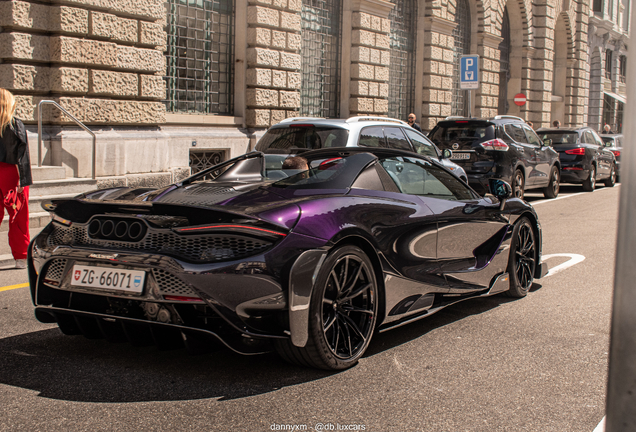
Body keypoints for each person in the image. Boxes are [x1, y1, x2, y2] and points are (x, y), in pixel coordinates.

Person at [0, 88, 32, 269]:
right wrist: (23, 178)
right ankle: (21, 257)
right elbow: (23, 154)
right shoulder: (15, 124)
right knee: (18, 215)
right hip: (12, 173)